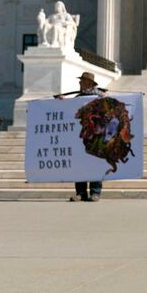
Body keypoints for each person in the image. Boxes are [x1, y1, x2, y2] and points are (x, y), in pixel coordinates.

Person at [57, 71, 105, 202]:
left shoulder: (100, 96)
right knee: (79, 164)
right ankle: (81, 192)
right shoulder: (79, 97)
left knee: (95, 163)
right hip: (81, 136)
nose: (79, 83)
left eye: (82, 81)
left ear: (89, 83)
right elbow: (72, 111)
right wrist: (63, 102)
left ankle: (95, 192)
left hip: (96, 135)